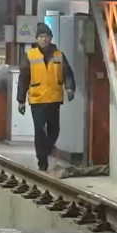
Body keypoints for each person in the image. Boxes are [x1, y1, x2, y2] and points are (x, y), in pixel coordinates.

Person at [17, 22, 75, 171]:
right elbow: (23, 79)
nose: (44, 39)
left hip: (54, 99)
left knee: (55, 130)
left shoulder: (59, 55)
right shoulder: (30, 56)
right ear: (37, 39)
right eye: (41, 36)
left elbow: (68, 74)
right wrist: (21, 100)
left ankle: (46, 149)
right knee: (40, 131)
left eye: (47, 36)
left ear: (51, 38)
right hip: (37, 100)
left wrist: (70, 88)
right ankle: (42, 162)